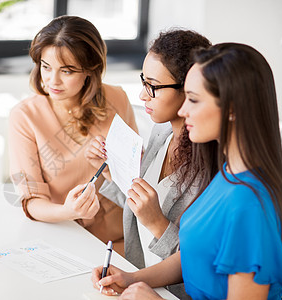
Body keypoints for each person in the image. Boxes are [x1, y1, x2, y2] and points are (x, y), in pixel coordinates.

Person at [91, 43, 282, 299]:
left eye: (193, 99)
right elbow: (192, 255)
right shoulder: (228, 175)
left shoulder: (248, 205)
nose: (183, 110)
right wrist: (132, 278)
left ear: (232, 110)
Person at [85, 29, 216, 298]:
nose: (143, 95)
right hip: (145, 282)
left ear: (189, 89)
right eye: (144, 81)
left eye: (153, 86)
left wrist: (157, 223)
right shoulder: (161, 132)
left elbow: (202, 260)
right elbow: (140, 208)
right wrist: (111, 173)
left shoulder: (214, 167)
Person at [8, 15, 138, 253]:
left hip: (116, 239)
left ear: (90, 70)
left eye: (67, 71)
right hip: (59, 234)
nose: (52, 81)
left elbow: (135, 178)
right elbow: (30, 200)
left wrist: (109, 169)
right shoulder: (24, 117)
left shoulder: (117, 99)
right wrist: (68, 212)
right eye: (46, 67)